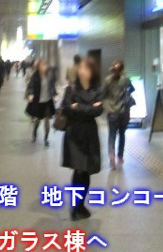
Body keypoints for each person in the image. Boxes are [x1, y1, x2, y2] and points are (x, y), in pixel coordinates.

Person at [61, 58, 104, 221]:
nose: (81, 71)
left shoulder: (98, 90)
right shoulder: (71, 89)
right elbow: (66, 109)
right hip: (74, 134)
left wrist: (78, 107)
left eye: (85, 69)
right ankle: (75, 207)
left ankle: (80, 205)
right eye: (80, 68)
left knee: (86, 170)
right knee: (78, 169)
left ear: (92, 71)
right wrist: (88, 108)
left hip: (90, 135)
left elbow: (98, 111)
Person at [102, 60, 134, 170]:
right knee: (122, 134)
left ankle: (112, 155)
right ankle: (120, 156)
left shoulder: (107, 80)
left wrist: (106, 105)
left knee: (112, 135)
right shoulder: (125, 79)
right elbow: (132, 89)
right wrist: (125, 93)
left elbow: (103, 94)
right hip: (123, 112)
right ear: (122, 70)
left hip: (112, 112)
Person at [26, 60, 57, 146]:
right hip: (38, 101)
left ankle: (46, 138)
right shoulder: (35, 76)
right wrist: (30, 94)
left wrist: (54, 95)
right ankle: (34, 132)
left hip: (47, 101)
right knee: (38, 120)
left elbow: (52, 87)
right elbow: (31, 86)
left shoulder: (49, 75)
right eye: (42, 66)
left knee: (47, 119)